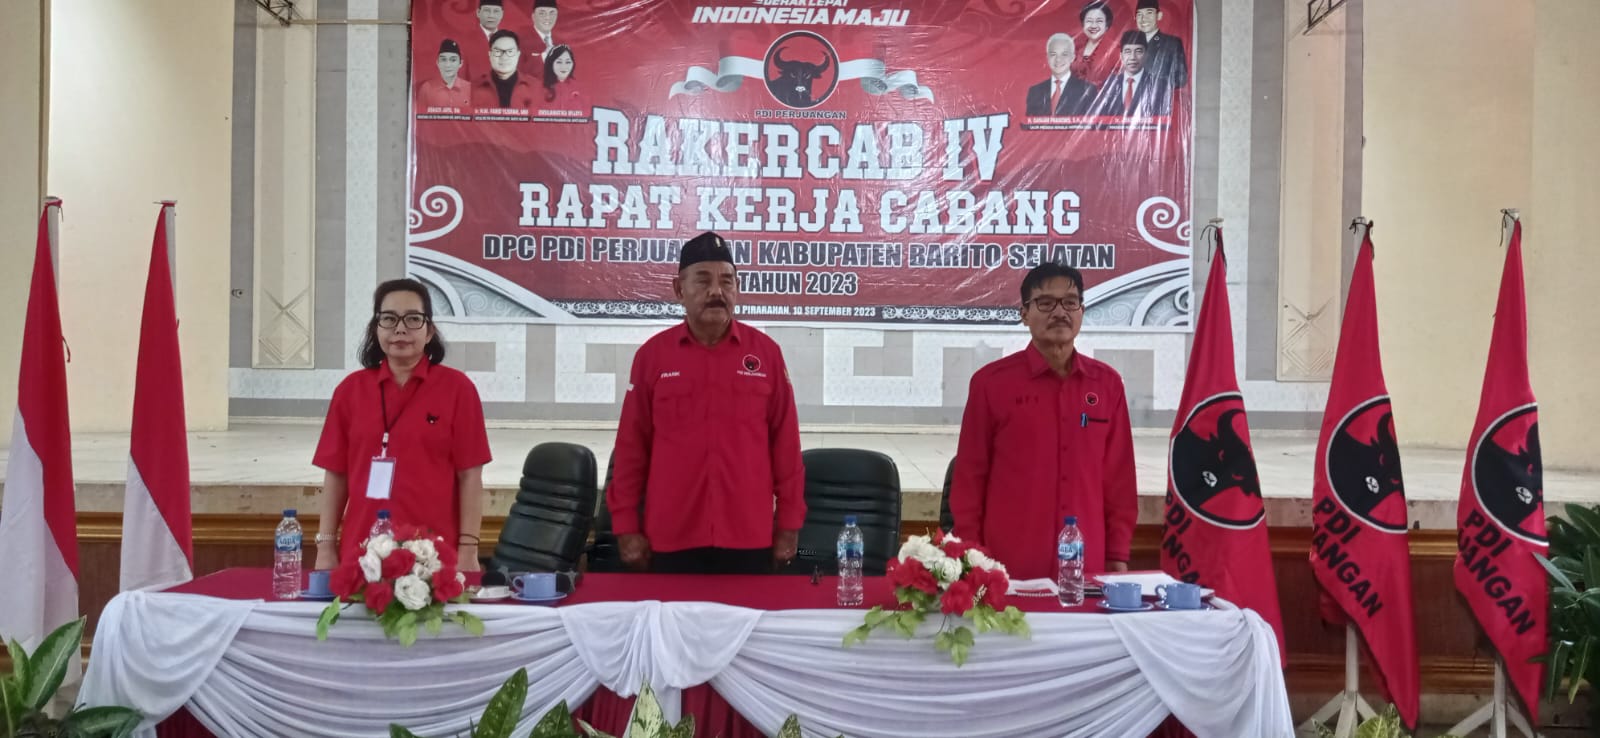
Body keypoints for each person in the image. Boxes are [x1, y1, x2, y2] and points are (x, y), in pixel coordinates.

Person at [607, 232, 805, 575]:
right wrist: (625, 525)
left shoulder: (766, 355)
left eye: (727, 281)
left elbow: (786, 448)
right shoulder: (652, 357)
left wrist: (789, 523)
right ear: (678, 289)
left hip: (748, 536)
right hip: (671, 536)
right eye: (703, 280)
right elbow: (631, 448)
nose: (716, 291)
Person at [950, 263, 1137, 581]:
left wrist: (1117, 555)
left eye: (1070, 302)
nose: (1060, 312)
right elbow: (969, 479)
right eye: (1046, 303)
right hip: (1007, 569)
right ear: (1024, 314)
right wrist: (972, 557)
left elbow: (1119, 481)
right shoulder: (991, 384)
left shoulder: (1106, 385)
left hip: (1085, 567)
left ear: (1081, 311)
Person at [313, 279, 491, 572]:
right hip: (363, 553)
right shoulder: (350, 391)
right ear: (376, 328)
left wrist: (469, 550)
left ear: (429, 331)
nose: (400, 329)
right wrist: (325, 547)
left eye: (412, 319)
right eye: (389, 319)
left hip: (434, 554)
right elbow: (336, 475)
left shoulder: (457, 389)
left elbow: (470, 476)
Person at [1091, 31, 1170, 116]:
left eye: (1138, 51)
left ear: (1146, 55)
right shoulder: (1109, 84)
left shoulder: (1158, 85)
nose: (1132, 57)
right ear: (1121, 56)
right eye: (1128, 51)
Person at [1025, 33, 1096, 116]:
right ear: (1047, 58)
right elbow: (1029, 122)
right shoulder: (1035, 91)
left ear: (1072, 57)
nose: (1058, 59)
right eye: (1053, 54)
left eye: (1064, 54)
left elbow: (1094, 122)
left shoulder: (1087, 90)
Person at [472, 29, 539, 110]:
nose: (504, 57)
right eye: (498, 51)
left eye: (510, 51)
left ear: (518, 54)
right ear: (490, 54)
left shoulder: (536, 87)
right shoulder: (472, 88)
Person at [1136, 0, 1188, 92]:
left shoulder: (1172, 43)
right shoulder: (1130, 42)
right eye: (1139, 14)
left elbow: (1181, 78)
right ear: (1135, 18)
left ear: (1159, 15)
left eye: (1149, 13)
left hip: (1157, 97)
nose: (1143, 19)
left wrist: (1155, 83)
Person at [1069, 0, 1120, 86]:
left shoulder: (1115, 50)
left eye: (1099, 21)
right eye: (1089, 21)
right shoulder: (1076, 48)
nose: (1093, 25)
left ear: (1106, 25)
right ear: (1083, 24)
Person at [417, 39, 471, 110]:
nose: (448, 65)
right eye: (443, 60)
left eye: (453, 60)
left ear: (460, 63)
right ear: (437, 63)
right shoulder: (426, 88)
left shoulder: (470, 89)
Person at [540, 44, 587, 110]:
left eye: (568, 62)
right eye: (559, 62)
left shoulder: (580, 88)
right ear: (551, 63)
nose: (563, 67)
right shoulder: (539, 87)